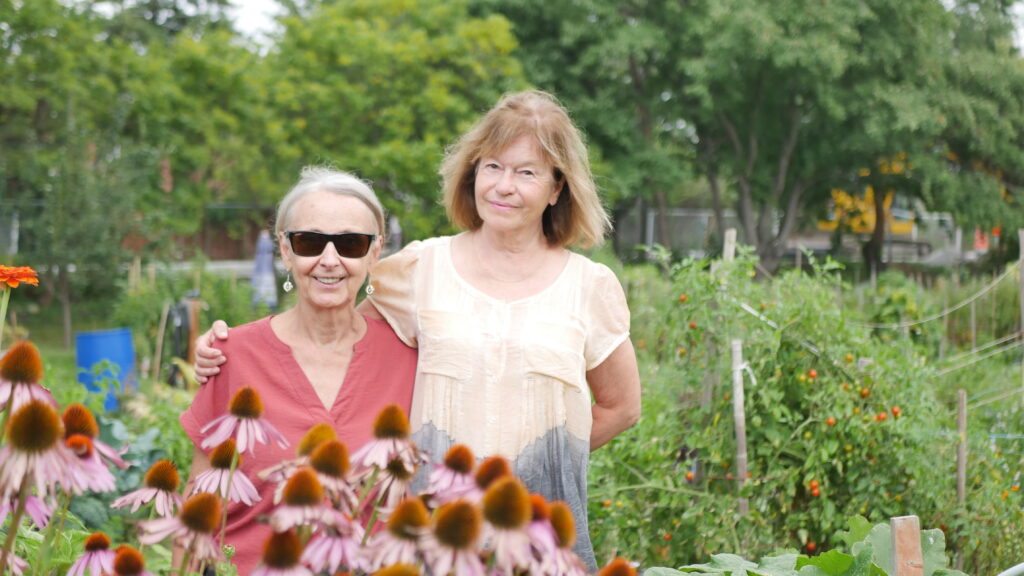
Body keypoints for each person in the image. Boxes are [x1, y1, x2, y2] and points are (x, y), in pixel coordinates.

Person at [195, 90, 641, 569]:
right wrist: (231, 348)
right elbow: (331, 336)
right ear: (472, 174)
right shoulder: (421, 269)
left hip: (540, 535)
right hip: (432, 540)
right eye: (491, 167)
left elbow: (621, 407)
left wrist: (533, 462)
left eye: (526, 172)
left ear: (557, 188)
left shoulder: (589, 286)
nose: (503, 186)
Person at [180, 167, 417, 575]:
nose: (329, 260)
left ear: (374, 253)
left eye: (350, 243)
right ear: (286, 251)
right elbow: (200, 500)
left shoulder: (409, 358)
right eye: (309, 242)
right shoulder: (230, 355)